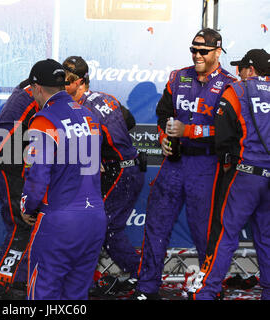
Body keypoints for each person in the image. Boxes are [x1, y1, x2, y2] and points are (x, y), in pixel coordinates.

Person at [132, 28, 236, 300]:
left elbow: (231, 134)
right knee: (155, 224)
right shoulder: (178, 77)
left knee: (204, 231)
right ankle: (147, 287)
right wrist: (165, 138)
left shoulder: (229, 85)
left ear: (217, 51)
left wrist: (188, 131)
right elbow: (163, 114)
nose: (197, 55)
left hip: (207, 166)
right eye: (193, 49)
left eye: (203, 51)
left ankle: (209, 287)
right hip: (175, 165)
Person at [20, 58, 107, 300]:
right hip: (94, 218)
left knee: (43, 292)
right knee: (76, 296)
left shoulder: (43, 119)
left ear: (37, 88)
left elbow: (38, 174)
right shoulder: (90, 116)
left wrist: (28, 205)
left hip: (60, 220)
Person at [189, 49, 270, 300]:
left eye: (241, 69)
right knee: (267, 236)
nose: (238, 73)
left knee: (225, 233)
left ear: (251, 70)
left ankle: (208, 290)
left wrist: (227, 164)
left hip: (245, 174)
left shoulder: (237, 90)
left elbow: (223, 138)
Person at [62, 56, 145, 295]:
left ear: (80, 82)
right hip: (126, 168)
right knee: (108, 228)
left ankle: (84, 283)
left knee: (96, 226)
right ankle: (141, 273)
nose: (61, 86)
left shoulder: (80, 109)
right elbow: (129, 120)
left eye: (66, 81)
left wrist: (96, 154)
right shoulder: (106, 97)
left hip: (120, 171)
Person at [0, 79, 39, 299]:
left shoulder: (26, 93)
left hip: (6, 162)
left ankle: (18, 281)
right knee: (22, 224)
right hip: (4, 165)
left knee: (29, 225)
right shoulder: (32, 97)